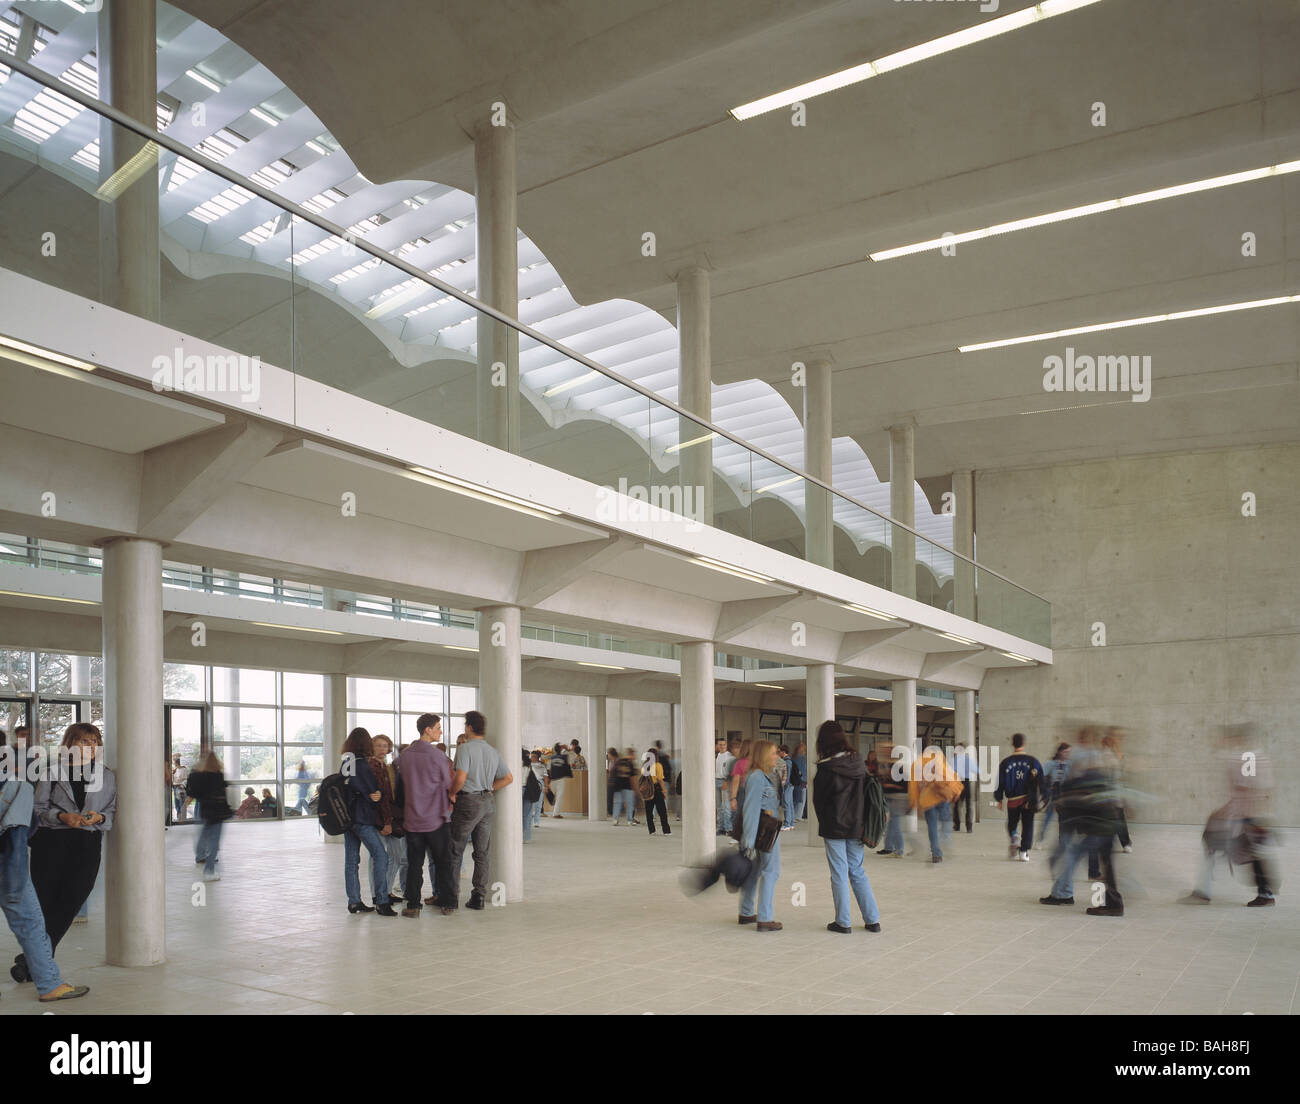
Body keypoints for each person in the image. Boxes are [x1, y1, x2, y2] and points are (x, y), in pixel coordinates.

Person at [11, 723, 116, 987]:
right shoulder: (50, 772)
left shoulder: (107, 775)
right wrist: (61, 816)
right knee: (45, 904)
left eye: (94, 742)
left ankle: (30, 961)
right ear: (70, 744)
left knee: (72, 899)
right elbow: (37, 810)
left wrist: (99, 816)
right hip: (52, 842)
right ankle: (39, 967)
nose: (90, 747)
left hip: (87, 842)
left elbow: (111, 811)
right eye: (83, 741)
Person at [0, 770, 89, 1002]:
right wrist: (15, 882)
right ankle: (49, 985)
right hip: (8, 866)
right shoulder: (18, 787)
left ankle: (50, 983)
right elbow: (17, 837)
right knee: (31, 924)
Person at [1181, 725, 1277, 908]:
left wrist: (1232, 814)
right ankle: (1265, 892)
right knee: (1247, 853)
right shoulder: (1259, 757)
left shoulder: (1247, 758)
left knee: (1227, 849)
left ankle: (1204, 892)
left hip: (1243, 818)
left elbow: (1246, 790)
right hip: (1247, 817)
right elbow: (1265, 791)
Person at [1040, 727, 1123, 916]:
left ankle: (1066, 894)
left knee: (1073, 853)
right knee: (1100, 860)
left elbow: (1079, 793)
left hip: (1090, 821)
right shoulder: (1102, 761)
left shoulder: (1087, 764)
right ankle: (1108, 902)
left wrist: (1067, 806)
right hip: (1099, 821)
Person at [812, 720, 882, 934]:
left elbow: (818, 802)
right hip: (856, 826)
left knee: (839, 873)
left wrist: (825, 820)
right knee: (858, 871)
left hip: (834, 827)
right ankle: (872, 920)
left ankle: (843, 922)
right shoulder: (859, 764)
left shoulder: (825, 768)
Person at [446, 711, 513, 911]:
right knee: (482, 852)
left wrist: (451, 793)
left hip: (468, 801)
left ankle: (451, 898)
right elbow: (508, 778)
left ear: (468, 728)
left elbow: (460, 777)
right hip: (487, 803)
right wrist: (489, 787)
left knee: (455, 850)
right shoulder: (493, 751)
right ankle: (478, 897)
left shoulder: (465, 749)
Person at [400, 713, 454, 917]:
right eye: (438, 727)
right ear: (427, 730)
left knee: (415, 864)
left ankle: (413, 905)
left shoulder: (404, 756)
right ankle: (447, 903)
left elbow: (401, 787)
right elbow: (448, 785)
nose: (441, 731)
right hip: (436, 818)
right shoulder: (437, 756)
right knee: (443, 862)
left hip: (412, 819)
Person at [340, 728, 396, 917]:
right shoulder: (363, 764)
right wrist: (377, 795)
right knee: (381, 856)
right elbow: (375, 794)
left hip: (347, 819)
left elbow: (348, 787)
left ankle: (354, 901)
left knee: (351, 861)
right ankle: (382, 900)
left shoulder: (346, 761)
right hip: (362, 818)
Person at [737, 739, 783, 932]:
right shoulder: (757, 777)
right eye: (773, 753)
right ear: (763, 755)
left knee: (754, 871)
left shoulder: (765, 776)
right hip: (764, 832)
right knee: (771, 871)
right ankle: (765, 918)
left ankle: (746, 912)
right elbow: (750, 809)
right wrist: (748, 841)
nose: (777, 756)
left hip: (760, 830)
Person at [907, 745, 960, 863]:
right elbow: (950, 777)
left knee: (932, 827)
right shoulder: (939, 759)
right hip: (941, 797)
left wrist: (914, 802)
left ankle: (936, 854)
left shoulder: (916, 764)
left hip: (927, 800)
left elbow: (913, 785)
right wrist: (956, 791)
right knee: (946, 821)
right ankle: (944, 839)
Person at [994, 734, 1043, 861]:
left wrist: (999, 799)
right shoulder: (1033, 761)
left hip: (1012, 800)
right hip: (1028, 800)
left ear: (1012, 744)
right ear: (1024, 744)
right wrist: (1044, 795)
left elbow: (1000, 782)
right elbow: (1041, 780)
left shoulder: (1005, 763)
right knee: (1028, 825)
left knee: (1012, 823)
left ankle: (1014, 836)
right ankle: (1024, 852)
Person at [370, 735, 405, 905]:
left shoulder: (390, 768)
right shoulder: (370, 767)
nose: (382, 749)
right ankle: (376, 894)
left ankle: (387, 890)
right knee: (377, 856)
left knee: (396, 855)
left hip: (391, 815)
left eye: (385, 746)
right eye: (378, 745)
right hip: (377, 817)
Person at [186, 751, 229, 881]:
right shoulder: (218, 775)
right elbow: (224, 791)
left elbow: (194, 793)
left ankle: (200, 856)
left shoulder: (200, 775)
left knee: (204, 834)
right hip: (218, 812)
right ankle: (209, 870)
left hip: (206, 810)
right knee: (215, 841)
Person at [1102, 728, 1133, 853]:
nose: (1119, 740)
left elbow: (1120, 769)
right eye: (1116, 738)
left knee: (1119, 817)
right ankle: (1123, 842)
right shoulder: (1105, 754)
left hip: (1116, 791)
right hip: (1108, 791)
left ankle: (1125, 842)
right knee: (1115, 818)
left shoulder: (1114, 753)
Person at [1039, 743, 1071, 847]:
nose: (1068, 754)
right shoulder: (1051, 763)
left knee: (1064, 819)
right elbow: (1041, 776)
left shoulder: (1070, 764)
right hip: (1053, 793)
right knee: (1048, 818)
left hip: (1065, 794)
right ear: (1060, 752)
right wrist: (1043, 791)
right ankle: (1040, 839)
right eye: (1066, 752)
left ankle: (1063, 842)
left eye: (1069, 752)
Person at [878, 749, 908, 857]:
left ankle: (899, 850)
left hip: (897, 798)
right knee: (891, 824)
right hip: (892, 797)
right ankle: (888, 847)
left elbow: (902, 784)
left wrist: (888, 786)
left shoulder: (897, 767)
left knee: (895, 824)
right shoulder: (889, 766)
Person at [640, 748, 670, 836]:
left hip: (647, 790)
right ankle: (666, 831)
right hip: (656, 790)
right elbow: (660, 780)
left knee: (649, 812)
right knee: (662, 812)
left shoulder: (644, 766)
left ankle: (652, 831)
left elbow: (643, 778)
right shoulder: (658, 765)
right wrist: (664, 791)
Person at [949, 745, 978, 833]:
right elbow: (977, 770)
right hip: (967, 783)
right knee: (969, 805)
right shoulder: (968, 760)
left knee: (956, 805)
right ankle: (969, 827)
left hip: (957, 783)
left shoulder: (954, 761)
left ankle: (957, 825)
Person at [727, 739, 752, 830]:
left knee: (739, 815)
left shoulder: (740, 763)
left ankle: (739, 835)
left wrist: (733, 798)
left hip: (743, 791)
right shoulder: (758, 762)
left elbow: (736, 781)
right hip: (756, 791)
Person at [715, 736, 735, 835]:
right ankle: (721, 828)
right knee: (719, 807)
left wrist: (726, 782)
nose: (722, 746)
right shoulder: (717, 756)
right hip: (716, 781)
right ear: (717, 745)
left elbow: (732, 771)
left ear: (726, 745)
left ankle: (729, 828)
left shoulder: (730, 756)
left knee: (726, 807)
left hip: (725, 782)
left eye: (724, 745)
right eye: (720, 745)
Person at [611, 748, 637, 825]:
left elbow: (613, 773)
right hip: (627, 786)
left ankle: (615, 820)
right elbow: (632, 778)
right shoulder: (630, 763)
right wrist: (635, 788)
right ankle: (629, 820)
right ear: (631, 755)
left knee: (617, 803)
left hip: (617, 786)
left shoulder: (617, 761)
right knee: (629, 803)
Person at [546, 741, 573, 818]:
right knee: (559, 796)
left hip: (553, 779)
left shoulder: (551, 758)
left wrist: (548, 780)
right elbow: (573, 757)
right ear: (561, 749)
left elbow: (548, 769)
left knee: (554, 796)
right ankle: (556, 813)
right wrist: (567, 749)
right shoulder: (565, 757)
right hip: (560, 779)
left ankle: (554, 811)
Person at [522, 750, 541, 843]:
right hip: (528, 790)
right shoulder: (528, 765)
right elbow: (536, 778)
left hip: (517, 790)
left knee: (517, 814)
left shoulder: (513, 763)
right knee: (527, 815)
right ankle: (526, 837)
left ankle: (518, 835)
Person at [773, 745, 793, 831]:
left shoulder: (786, 762)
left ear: (783, 752)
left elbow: (786, 776)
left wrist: (783, 785)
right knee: (790, 804)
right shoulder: (789, 760)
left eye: (779, 751)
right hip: (790, 785)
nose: (778, 753)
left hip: (787, 785)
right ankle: (791, 823)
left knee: (786, 804)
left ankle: (787, 824)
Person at [785, 743, 804, 829]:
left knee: (790, 802)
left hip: (791, 783)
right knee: (795, 801)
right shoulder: (799, 759)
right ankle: (793, 819)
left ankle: (790, 821)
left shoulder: (792, 759)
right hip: (797, 783)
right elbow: (801, 771)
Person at [530, 751, 548, 828]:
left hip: (540, 783)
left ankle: (536, 821)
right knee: (530, 803)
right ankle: (528, 821)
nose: (532, 758)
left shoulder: (542, 766)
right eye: (531, 756)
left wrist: (546, 787)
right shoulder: (528, 765)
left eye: (533, 756)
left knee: (539, 803)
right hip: (530, 783)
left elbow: (545, 777)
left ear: (538, 757)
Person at [170, 755, 189, 822]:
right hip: (175, 787)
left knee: (182, 803)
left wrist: (182, 785)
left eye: (173, 761)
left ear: (177, 762)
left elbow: (186, 779)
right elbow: (173, 779)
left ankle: (183, 818)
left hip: (181, 787)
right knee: (176, 803)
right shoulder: (175, 769)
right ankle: (179, 818)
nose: (173, 762)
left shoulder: (184, 769)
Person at [605, 748, 619, 817]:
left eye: (608, 754)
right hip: (611, 781)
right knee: (610, 797)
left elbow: (616, 771)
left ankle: (611, 812)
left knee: (612, 797)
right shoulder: (611, 761)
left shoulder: (617, 761)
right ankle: (610, 811)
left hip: (614, 781)